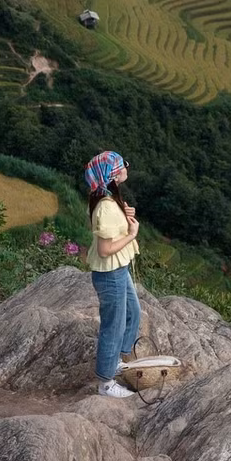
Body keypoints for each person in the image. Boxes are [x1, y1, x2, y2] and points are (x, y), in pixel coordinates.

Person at [84, 150, 141, 399]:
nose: (126, 168)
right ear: (112, 175)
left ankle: (115, 359)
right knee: (113, 326)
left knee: (132, 312)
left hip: (119, 269)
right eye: (122, 166)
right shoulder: (106, 206)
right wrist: (131, 234)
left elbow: (111, 232)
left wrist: (126, 220)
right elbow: (105, 249)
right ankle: (106, 383)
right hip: (110, 274)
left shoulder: (110, 199)